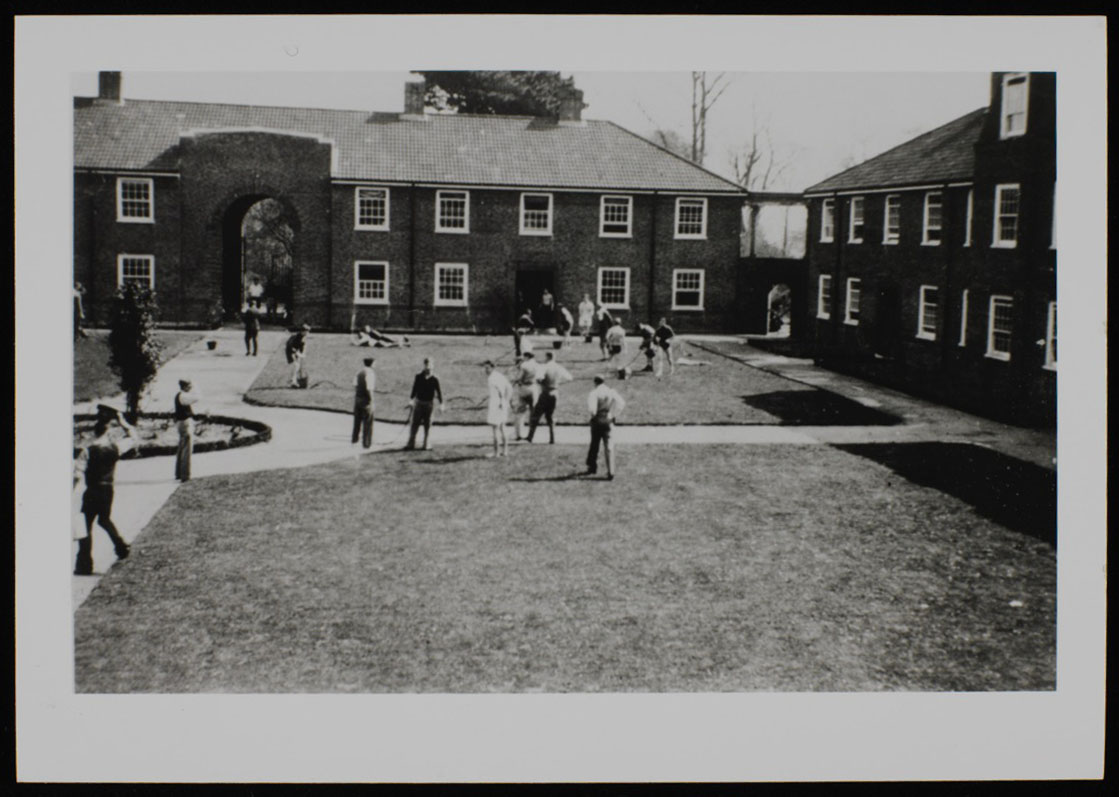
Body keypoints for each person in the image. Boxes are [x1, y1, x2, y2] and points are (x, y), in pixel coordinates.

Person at [72, 406, 136, 574]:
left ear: (94, 432)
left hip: (92, 491)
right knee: (105, 519)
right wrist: (123, 422)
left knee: (85, 525)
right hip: (108, 490)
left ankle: (84, 564)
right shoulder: (115, 448)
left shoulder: (87, 451)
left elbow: (77, 475)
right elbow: (133, 438)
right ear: (108, 433)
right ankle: (121, 546)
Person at [527, 351, 573, 444]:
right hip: (555, 392)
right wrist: (558, 383)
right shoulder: (559, 367)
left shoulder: (544, 367)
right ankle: (552, 438)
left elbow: (539, 378)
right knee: (550, 416)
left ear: (547, 357)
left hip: (546, 392)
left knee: (536, 415)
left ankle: (530, 436)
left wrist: (541, 383)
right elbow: (570, 378)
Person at [585, 375, 626, 480]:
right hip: (608, 419)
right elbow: (621, 403)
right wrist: (613, 414)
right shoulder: (611, 391)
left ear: (595, 382)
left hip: (598, 419)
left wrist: (593, 416)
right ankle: (611, 471)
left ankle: (592, 466)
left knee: (594, 444)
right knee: (609, 446)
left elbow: (592, 410)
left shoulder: (594, 393)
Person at [405, 357, 444, 450]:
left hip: (429, 404)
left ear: (433, 366)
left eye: (430, 365)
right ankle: (411, 444)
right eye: (427, 365)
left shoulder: (435, 379)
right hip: (419, 403)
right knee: (415, 424)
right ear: (424, 365)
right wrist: (411, 400)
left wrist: (441, 404)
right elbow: (414, 389)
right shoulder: (418, 377)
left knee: (428, 424)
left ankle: (426, 444)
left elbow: (439, 392)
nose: (428, 367)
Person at [483, 359, 513, 457]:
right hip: (502, 403)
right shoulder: (500, 376)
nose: (486, 370)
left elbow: (500, 391)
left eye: (487, 368)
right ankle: (505, 451)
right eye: (485, 368)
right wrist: (506, 401)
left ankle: (496, 453)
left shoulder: (492, 378)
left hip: (496, 404)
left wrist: (500, 401)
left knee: (495, 429)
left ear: (492, 367)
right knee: (502, 427)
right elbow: (509, 388)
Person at [510, 351, 542, 442]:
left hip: (524, 388)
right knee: (533, 412)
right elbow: (540, 378)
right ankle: (531, 435)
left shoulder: (524, 365)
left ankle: (518, 434)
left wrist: (514, 378)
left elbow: (519, 378)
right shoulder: (537, 365)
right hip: (534, 387)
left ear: (527, 357)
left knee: (520, 412)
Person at [173, 379, 200, 481]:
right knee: (187, 450)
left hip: (181, 423)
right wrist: (196, 387)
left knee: (181, 448)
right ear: (184, 387)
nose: (190, 388)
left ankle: (179, 473)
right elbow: (197, 397)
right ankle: (185, 475)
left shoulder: (179, 395)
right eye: (189, 386)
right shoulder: (183, 396)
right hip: (185, 423)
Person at [352, 356, 376, 449]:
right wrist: (372, 401)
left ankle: (354, 440)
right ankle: (366, 443)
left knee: (357, 421)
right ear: (372, 363)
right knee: (368, 422)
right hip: (366, 401)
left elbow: (355, 385)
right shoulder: (370, 373)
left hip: (358, 399)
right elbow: (369, 389)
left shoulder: (359, 372)